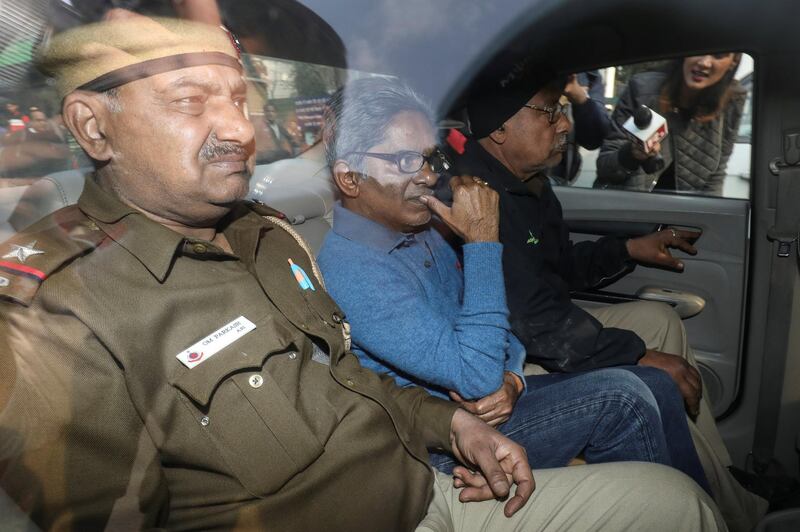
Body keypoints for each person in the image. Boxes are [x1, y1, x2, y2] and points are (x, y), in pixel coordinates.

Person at [0, 11, 725, 532]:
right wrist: (477, 371)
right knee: (637, 404)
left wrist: (453, 427)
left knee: (676, 503)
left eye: (237, 100)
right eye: (191, 103)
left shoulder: (269, 241)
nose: (238, 129)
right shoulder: (54, 308)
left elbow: (350, 378)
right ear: (94, 127)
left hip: (423, 476)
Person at [317, 76, 710, 493]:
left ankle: (705, 506)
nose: (431, 177)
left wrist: (514, 378)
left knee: (655, 385)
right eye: (409, 162)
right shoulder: (354, 270)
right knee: (625, 398)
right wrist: (483, 242)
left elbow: (500, 326)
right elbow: (476, 377)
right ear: (351, 179)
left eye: (431, 159)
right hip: (442, 446)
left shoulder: (420, 233)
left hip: (488, 402)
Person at [449, 64, 766, 532]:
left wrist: (629, 249)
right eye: (548, 113)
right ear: (499, 129)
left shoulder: (530, 182)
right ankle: (719, 510)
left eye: (561, 110)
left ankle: (725, 489)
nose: (564, 124)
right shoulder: (475, 196)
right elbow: (530, 318)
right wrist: (636, 355)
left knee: (661, 319)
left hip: (542, 324)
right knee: (650, 370)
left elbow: (559, 268)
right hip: (509, 352)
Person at [595, 54, 746, 194]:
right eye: (699, 50)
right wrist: (631, 154)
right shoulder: (642, 89)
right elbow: (605, 167)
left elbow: (715, 177)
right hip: (629, 212)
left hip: (682, 217)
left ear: (733, 62)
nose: (704, 63)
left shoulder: (732, 100)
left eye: (718, 55)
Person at [549, 70, 612, 184]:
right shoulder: (520, 65)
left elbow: (593, 140)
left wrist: (581, 99)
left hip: (559, 173)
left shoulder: (590, 76)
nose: (565, 126)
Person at [0, 107, 73, 178]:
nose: (43, 123)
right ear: (30, 122)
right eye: (38, 120)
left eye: (44, 120)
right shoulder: (20, 137)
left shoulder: (54, 137)